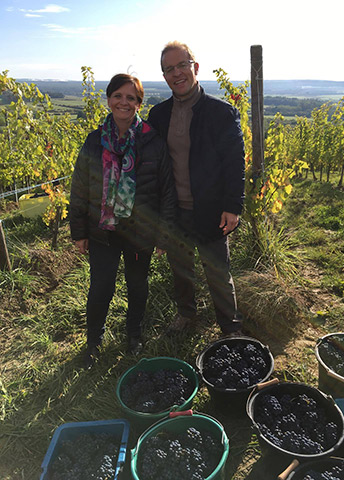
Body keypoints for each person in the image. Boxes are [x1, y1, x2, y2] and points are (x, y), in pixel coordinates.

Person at [70, 73, 175, 368]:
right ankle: (93, 343)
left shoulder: (153, 142)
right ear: (109, 99)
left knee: (137, 285)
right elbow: (79, 187)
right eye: (118, 95)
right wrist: (79, 231)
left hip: (141, 231)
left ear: (139, 103)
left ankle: (133, 336)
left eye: (131, 97)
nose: (123, 102)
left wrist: (164, 234)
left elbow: (166, 191)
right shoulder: (94, 141)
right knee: (101, 286)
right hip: (103, 230)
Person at [148, 41, 245, 336]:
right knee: (181, 271)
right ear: (164, 76)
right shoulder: (159, 115)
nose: (176, 73)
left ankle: (230, 327)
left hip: (211, 209)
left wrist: (233, 205)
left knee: (217, 272)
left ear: (195, 67)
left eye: (181, 65)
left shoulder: (221, 113)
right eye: (169, 69)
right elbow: (153, 166)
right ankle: (186, 316)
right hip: (175, 211)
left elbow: (234, 162)